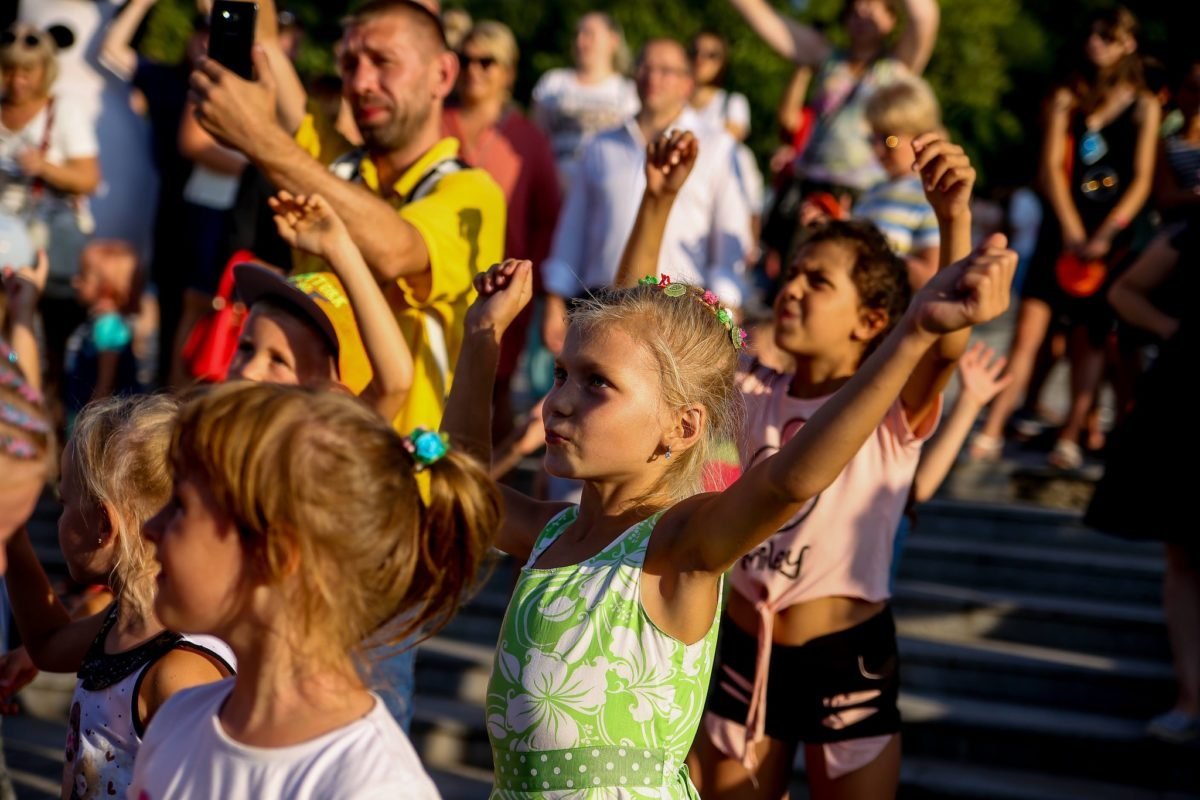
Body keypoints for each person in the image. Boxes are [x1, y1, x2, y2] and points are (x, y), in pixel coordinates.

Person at [438, 132, 1013, 798]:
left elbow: (789, 478)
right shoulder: (549, 529)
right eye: (562, 375)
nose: (559, 400)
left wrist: (922, 311)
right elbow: (633, 344)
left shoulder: (681, 546)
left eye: (590, 385)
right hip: (746, 652)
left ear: (686, 428)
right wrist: (482, 338)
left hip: (842, 654)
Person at [128, 381, 500, 798]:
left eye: (181, 504)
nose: (151, 527)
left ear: (276, 554)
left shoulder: (371, 786)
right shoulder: (176, 719)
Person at [189, 0, 505, 436]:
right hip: (303, 454)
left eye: (383, 62)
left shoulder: (473, 193)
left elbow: (395, 249)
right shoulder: (336, 169)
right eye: (350, 63)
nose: (360, 83)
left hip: (402, 483)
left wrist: (258, 137)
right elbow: (265, 43)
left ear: (443, 74)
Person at [2, 395, 235, 800]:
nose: (58, 516)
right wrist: (14, 537)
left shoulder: (180, 671)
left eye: (63, 503)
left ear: (102, 524)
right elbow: (48, 646)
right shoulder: (122, 624)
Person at [974, 6, 1160, 469]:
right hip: (1063, 232)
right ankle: (993, 427)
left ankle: (1072, 435)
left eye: (1107, 36)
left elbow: (1141, 179)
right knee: (1028, 334)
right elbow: (1051, 170)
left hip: (1108, 239)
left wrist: (1106, 233)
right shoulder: (1068, 96)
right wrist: (1074, 230)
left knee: (1090, 341)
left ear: (1127, 44)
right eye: (1092, 34)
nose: (1095, 43)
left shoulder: (1144, 104)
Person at [541, 39, 752, 355]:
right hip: (603, 303)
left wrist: (726, 311)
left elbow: (730, 240)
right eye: (646, 68)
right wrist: (555, 299)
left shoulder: (716, 146)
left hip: (678, 310)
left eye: (666, 71)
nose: (653, 78)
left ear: (687, 83)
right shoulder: (601, 146)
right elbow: (573, 228)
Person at [1088, 221, 1197, 743]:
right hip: (1184, 399)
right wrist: (1175, 330)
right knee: (1183, 553)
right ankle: (1190, 697)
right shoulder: (1190, 234)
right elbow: (1123, 291)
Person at [443, 20, 561, 436]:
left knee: (492, 399)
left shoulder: (526, 139)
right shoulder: (433, 124)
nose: (473, 69)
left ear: (508, 72)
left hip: (498, 291)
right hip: (433, 285)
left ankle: (488, 496)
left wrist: (539, 289)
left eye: (486, 62)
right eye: (465, 59)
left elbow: (548, 218)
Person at [228, 191, 414, 427]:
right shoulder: (203, 435)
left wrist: (338, 249)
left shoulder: (327, 450)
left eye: (279, 361)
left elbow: (395, 384)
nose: (248, 372)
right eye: (246, 348)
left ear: (335, 395)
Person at [728, 0, 940, 198]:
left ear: (892, 19)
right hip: (810, 185)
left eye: (871, 5)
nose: (860, 10)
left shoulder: (899, 64)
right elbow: (770, 23)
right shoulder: (828, 58)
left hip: (867, 190)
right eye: (854, 9)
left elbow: (924, 16)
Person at [0, 21, 101, 403]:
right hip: (4, 240)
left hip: (51, 243)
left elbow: (89, 178)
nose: (18, 80)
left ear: (45, 71)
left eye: (27, 71)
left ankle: (54, 418)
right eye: (10, 70)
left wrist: (44, 167)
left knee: (55, 337)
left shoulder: (64, 111)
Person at [531, 12, 638, 190]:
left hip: (605, 189)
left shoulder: (627, 91)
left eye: (589, 34)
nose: (581, 41)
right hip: (553, 188)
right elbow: (536, 138)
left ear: (613, 40)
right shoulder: (553, 82)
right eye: (577, 34)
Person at [854, 77, 943, 287]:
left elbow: (932, 277)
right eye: (872, 139)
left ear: (920, 137)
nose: (877, 149)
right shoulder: (873, 191)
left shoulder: (930, 195)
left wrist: (872, 253)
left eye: (889, 140)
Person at [63, 240, 144, 420]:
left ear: (106, 288)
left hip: (95, 415)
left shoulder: (108, 326)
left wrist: (91, 418)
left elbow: (106, 381)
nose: (75, 281)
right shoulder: (98, 320)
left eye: (82, 276)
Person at [1154, 58, 1200, 224]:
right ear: (1178, 93)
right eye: (1192, 89)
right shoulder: (1166, 145)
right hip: (1181, 230)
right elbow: (1165, 197)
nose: (1198, 97)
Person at [688, 31, 751, 142]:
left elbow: (727, 144)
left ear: (721, 62)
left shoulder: (733, 103)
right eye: (694, 52)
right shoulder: (671, 100)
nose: (699, 59)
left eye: (711, 55)